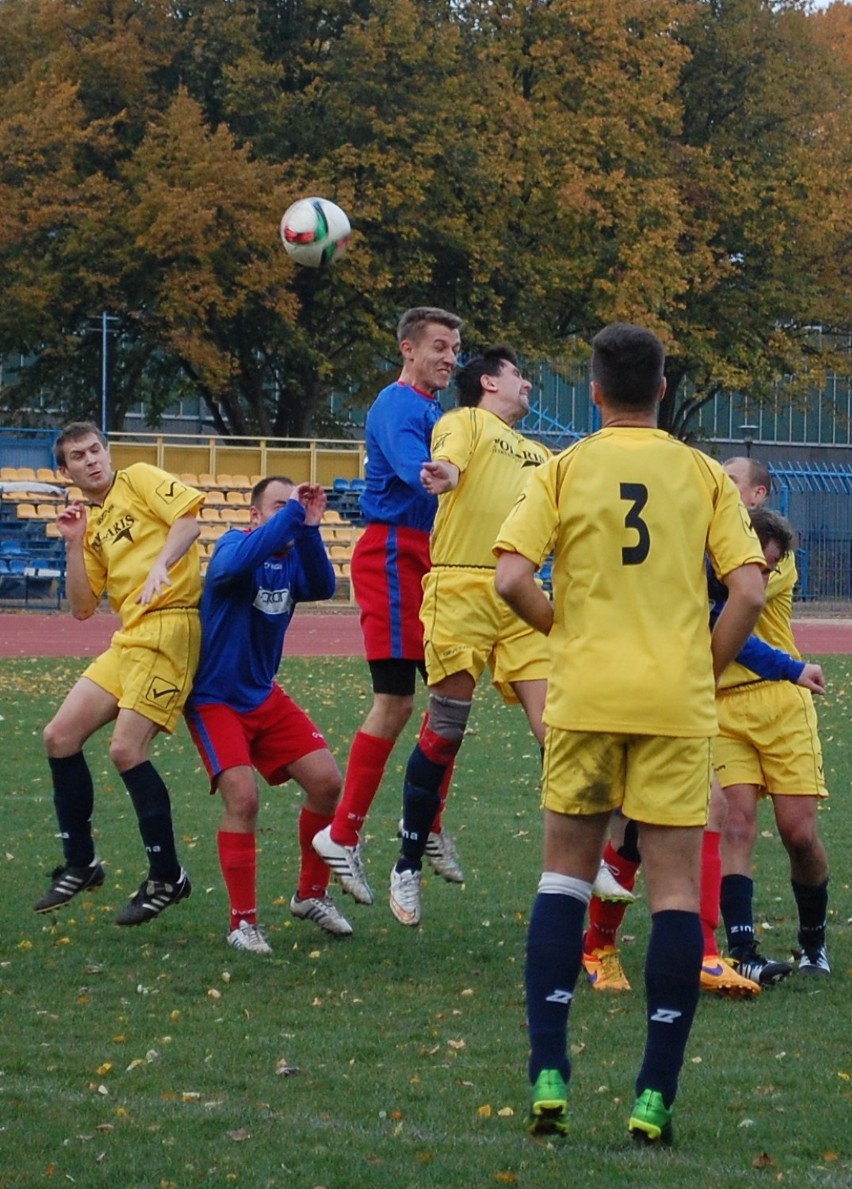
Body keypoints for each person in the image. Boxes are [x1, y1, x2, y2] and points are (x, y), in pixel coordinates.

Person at [493, 323, 767, 1144]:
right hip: (674, 705)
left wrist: (562, 630)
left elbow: (510, 575)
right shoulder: (702, 474)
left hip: (585, 696)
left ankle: (549, 1068)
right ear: (663, 389)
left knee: (563, 882)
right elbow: (748, 592)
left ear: (597, 390)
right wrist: (706, 669)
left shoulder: (565, 467)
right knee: (676, 891)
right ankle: (653, 1093)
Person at [581, 507, 826, 996]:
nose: (762, 575)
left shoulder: (717, 581)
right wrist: (790, 667)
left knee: (703, 811)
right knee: (639, 825)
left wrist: (788, 670)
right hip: (637, 695)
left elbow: (727, 628)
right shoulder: (686, 571)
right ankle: (599, 945)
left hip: (684, 701)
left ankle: (706, 953)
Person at [387, 346, 551, 926]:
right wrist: (445, 473)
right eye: (517, 374)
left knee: (557, 729)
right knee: (446, 729)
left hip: (521, 591)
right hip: (460, 586)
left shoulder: (541, 454)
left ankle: (591, 856)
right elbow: (450, 462)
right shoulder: (465, 422)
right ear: (488, 381)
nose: (527, 382)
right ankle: (407, 862)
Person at [313, 307, 464, 906]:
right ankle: (343, 832)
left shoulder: (435, 411)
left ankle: (424, 823)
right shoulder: (399, 406)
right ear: (407, 349)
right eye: (438, 346)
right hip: (397, 554)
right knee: (398, 701)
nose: (449, 356)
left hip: (432, 555)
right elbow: (418, 473)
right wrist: (458, 474)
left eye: (454, 347)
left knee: (451, 697)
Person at [36, 422, 202, 925]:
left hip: (171, 624)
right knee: (59, 736)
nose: (91, 460)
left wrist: (161, 566)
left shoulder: (140, 479)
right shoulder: (89, 518)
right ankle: (82, 863)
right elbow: (83, 608)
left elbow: (190, 521)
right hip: (129, 637)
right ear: (66, 471)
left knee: (126, 749)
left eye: (96, 450)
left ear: (107, 452)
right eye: (78, 456)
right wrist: (73, 543)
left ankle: (166, 875)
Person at [185, 477, 352, 952]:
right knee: (244, 800)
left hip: (263, 696)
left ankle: (310, 894)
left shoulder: (292, 556)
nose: (292, 512)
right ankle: (243, 922)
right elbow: (226, 572)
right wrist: (293, 517)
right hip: (215, 699)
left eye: (294, 505)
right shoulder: (233, 544)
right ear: (256, 516)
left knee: (327, 783)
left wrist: (311, 529)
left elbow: (322, 585)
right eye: (280, 506)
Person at [717, 459, 831, 978]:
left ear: (758, 493)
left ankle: (813, 943)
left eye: (733, 478)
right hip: (723, 706)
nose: (722, 483)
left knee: (799, 834)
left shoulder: (771, 548)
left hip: (781, 699)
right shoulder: (712, 543)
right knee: (735, 823)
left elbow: (737, 616)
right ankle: (741, 948)